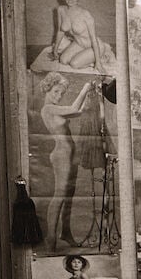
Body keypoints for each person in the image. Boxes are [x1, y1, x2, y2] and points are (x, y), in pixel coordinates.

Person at [40, 73, 95, 252]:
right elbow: (74, 107)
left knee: (69, 194)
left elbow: (78, 111)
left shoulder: (56, 108)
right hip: (61, 155)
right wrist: (86, 87)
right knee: (60, 195)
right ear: (47, 89)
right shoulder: (48, 109)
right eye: (56, 91)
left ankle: (66, 233)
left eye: (61, 93)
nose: (58, 96)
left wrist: (90, 95)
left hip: (70, 154)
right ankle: (50, 239)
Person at [48, 0, 115, 72]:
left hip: (94, 46)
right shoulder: (61, 10)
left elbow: (93, 39)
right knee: (63, 60)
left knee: (74, 64)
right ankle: (87, 58)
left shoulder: (85, 14)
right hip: (78, 43)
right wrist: (55, 49)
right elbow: (60, 32)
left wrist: (98, 63)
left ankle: (100, 57)